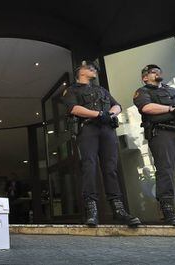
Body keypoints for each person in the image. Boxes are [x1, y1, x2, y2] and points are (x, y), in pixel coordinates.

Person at [61, 60, 141, 227]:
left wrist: (110, 114)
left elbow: (117, 105)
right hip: (88, 129)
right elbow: (74, 109)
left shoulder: (101, 90)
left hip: (107, 129)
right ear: (81, 71)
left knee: (110, 168)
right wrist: (98, 114)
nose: (94, 70)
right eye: (90, 68)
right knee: (89, 166)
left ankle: (118, 209)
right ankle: (92, 210)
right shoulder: (72, 90)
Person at [133, 64, 175, 226]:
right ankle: (168, 212)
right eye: (151, 72)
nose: (156, 73)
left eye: (157, 71)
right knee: (165, 171)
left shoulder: (174, 91)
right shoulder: (143, 92)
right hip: (162, 133)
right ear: (145, 78)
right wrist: (172, 108)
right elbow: (147, 108)